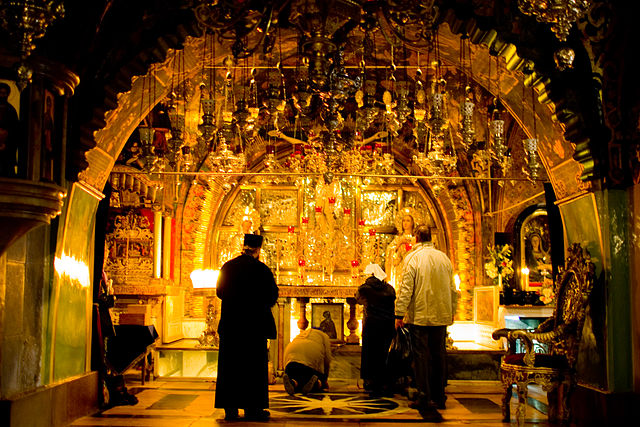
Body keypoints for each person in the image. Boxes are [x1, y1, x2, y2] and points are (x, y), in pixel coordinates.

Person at [395, 225, 457, 422]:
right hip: (441, 314)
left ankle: (424, 396)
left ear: (416, 237)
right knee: (439, 354)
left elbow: (406, 289)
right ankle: (439, 396)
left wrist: (398, 313)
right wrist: (452, 311)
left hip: (421, 316)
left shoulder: (413, 258)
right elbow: (453, 288)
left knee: (421, 356)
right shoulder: (444, 258)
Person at [215, 234, 279, 421]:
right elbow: (272, 297)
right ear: (258, 250)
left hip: (231, 326)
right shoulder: (262, 269)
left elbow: (219, 292)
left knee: (230, 366)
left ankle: (230, 409)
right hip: (254, 327)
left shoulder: (228, 267)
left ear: (244, 246)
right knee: (253, 367)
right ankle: (253, 409)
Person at [355, 263, 396, 397]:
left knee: (370, 355)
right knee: (384, 354)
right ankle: (385, 383)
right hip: (387, 326)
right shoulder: (390, 289)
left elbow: (358, 300)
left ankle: (372, 383)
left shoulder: (364, 289)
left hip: (371, 325)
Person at [282, 327, 332, 395]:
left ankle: (293, 383)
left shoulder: (300, 335)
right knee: (314, 378)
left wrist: (286, 370)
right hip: (309, 362)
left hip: (290, 363)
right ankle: (316, 384)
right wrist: (324, 379)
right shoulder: (323, 336)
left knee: (295, 375)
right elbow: (327, 359)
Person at [385, 207, 421, 288]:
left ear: (412, 223)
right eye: (404, 221)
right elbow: (390, 252)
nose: (405, 223)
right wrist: (399, 244)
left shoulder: (416, 239)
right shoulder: (398, 239)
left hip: (412, 269)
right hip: (399, 269)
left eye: (408, 221)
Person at [0, 82, 19, 177]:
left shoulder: (11, 110)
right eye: (0, 93)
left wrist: (5, 142)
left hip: (7, 146)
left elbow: (15, 129)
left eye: (4, 93)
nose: (2, 95)